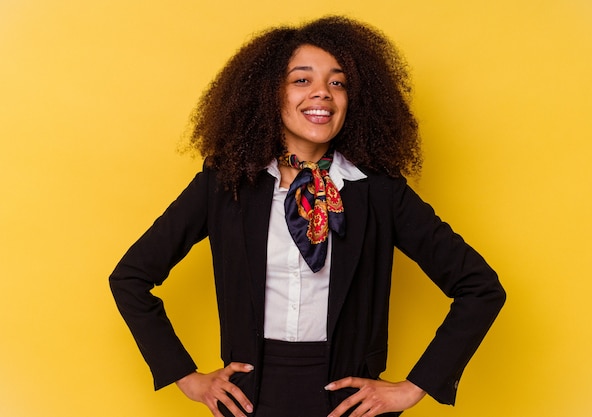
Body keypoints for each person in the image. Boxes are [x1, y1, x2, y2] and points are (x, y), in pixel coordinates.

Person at [109, 15, 506, 417]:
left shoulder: (379, 191)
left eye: (338, 83)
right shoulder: (225, 184)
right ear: (269, 93)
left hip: (347, 406)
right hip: (248, 400)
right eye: (302, 80)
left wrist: (414, 386)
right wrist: (186, 377)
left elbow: (479, 287)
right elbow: (130, 278)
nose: (323, 94)